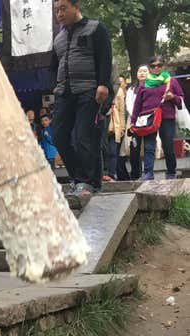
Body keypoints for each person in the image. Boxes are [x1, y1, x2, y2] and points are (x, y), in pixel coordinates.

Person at [50, 0, 113, 196]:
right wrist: (55, 87)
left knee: (84, 137)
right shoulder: (58, 38)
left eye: (63, 8)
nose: (59, 14)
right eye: (56, 10)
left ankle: (87, 182)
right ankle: (79, 178)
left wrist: (103, 84)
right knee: (58, 136)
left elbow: (105, 57)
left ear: (76, 6)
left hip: (89, 90)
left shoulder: (95, 28)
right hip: (64, 93)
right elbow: (54, 66)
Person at [131, 55, 185, 180]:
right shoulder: (144, 84)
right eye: (153, 66)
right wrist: (133, 121)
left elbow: (181, 99)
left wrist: (172, 97)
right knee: (149, 147)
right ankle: (148, 173)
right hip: (148, 118)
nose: (156, 68)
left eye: (159, 65)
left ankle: (171, 172)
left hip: (166, 117)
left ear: (163, 66)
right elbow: (137, 104)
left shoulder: (171, 81)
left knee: (168, 146)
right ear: (150, 67)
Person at [125, 65, 149, 179]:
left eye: (145, 71)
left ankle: (148, 172)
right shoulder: (132, 89)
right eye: (140, 71)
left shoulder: (153, 87)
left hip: (149, 120)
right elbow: (129, 105)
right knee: (134, 147)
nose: (142, 73)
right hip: (134, 121)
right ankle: (135, 173)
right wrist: (135, 116)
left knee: (149, 146)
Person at [105, 75, 127, 180]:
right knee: (103, 150)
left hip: (115, 122)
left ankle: (112, 173)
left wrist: (122, 127)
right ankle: (103, 173)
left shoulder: (119, 91)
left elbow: (122, 110)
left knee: (113, 151)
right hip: (103, 121)